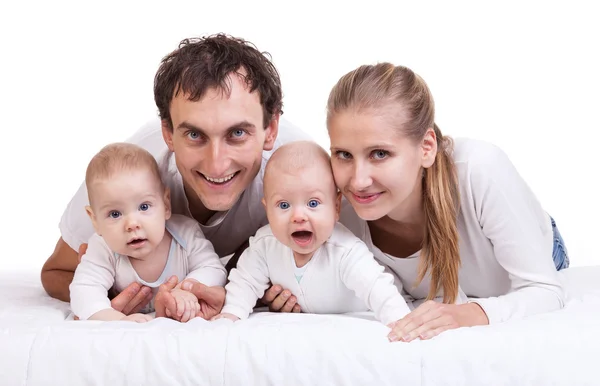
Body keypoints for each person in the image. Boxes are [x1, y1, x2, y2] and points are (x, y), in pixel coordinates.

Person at [41, 33, 310, 319]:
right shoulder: (124, 175)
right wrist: (108, 298)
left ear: (270, 130)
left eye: (238, 133)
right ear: (168, 133)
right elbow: (55, 271)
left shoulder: (302, 172)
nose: (217, 165)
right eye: (195, 134)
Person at [323, 62, 568, 342]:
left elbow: (545, 290)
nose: (358, 181)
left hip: (541, 245)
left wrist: (467, 314)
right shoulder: (338, 210)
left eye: (379, 154)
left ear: (426, 148)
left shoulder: (480, 169)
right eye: (343, 154)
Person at [212, 141, 416, 325]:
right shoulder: (264, 245)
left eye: (313, 203)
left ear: (336, 207)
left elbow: (376, 287)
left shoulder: (345, 251)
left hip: (369, 303)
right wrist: (232, 313)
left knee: (384, 288)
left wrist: (399, 320)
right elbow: (245, 281)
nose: (298, 216)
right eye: (284, 205)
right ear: (267, 211)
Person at [70, 143, 227, 322]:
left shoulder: (186, 233)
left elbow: (213, 269)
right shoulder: (102, 247)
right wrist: (113, 318)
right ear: (95, 220)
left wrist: (186, 290)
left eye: (144, 207)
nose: (132, 224)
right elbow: (84, 288)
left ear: (166, 205)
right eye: (115, 214)